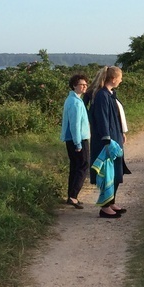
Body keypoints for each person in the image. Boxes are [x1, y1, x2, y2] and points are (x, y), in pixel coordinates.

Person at [87, 65, 125, 218]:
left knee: (116, 171)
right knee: (107, 173)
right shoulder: (102, 95)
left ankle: (111, 201)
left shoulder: (109, 94)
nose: (121, 81)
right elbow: (102, 118)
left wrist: (121, 133)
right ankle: (104, 207)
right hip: (108, 139)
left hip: (115, 136)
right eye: (120, 78)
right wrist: (107, 138)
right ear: (113, 79)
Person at [60, 73, 90, 208]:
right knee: (83, 166)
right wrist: (78, 143)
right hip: (78, 139)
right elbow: (75, 124)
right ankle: (73, 196)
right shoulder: (75, 103)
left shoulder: (74, 99)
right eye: (81, 85)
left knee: (75, 166)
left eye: (85, 84)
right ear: (74, 86)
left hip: (74, 139)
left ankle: (71, 196)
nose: (84, 87)